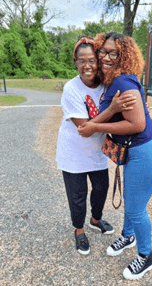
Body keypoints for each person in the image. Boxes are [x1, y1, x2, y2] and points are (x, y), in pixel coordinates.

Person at [78, 32, 152, 279]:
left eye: (113, 53)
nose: (106, 57)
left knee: (137, 208)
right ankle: (128, 236)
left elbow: (137, 124)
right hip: (140, 148)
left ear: (123, 56)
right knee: (131, 199)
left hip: (146, 150)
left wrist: (97, 127)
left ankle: (146, 256)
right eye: (103, 51)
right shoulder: (114, 79)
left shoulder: (122, 83)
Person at [56, 36, 136, 256]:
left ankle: (95, 219)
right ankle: (79, 230)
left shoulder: (106, 84)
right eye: (82, 61)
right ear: (75, 62)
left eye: (91, 60)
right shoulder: (71, 89)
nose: (87, 65)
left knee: (100, 189)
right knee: (78, 195)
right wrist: (111, 109)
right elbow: (84, 128)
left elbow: (122, 111)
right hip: (73, 153)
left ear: (98, 61)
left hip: (96, 153)